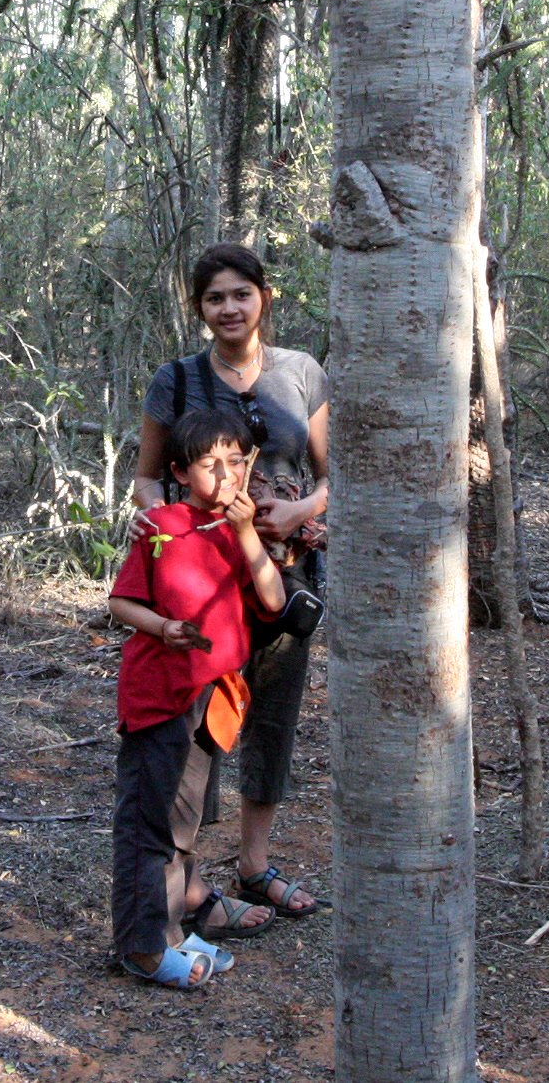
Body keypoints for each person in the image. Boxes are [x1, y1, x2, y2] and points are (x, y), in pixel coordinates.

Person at [131, 243, 328, 920]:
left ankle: (253, 866)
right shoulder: (177, 381)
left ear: (263, 298)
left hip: (282, 580)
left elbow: (333, 476)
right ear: (199, 309)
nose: (230, 308)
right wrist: (157, 523)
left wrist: (300, 512)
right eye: (215, 298)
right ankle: (187, 881)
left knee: (271, 716)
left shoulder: (301, 373)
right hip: (202, 587)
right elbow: (148, 477)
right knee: (197, 724)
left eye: (241, 294)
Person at [107, 406, 290, 987]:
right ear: (181, 472)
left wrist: (246, 531)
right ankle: (142, 946)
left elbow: (273, 600)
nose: (225, 474)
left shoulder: (239, 530)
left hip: (213, 697)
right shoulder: (161, 526)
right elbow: (121, 602)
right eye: (209, 464)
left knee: (183, 823)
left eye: (234, 461)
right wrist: (163, 627)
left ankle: (172, 931)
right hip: (160, 695)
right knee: (150, 822)